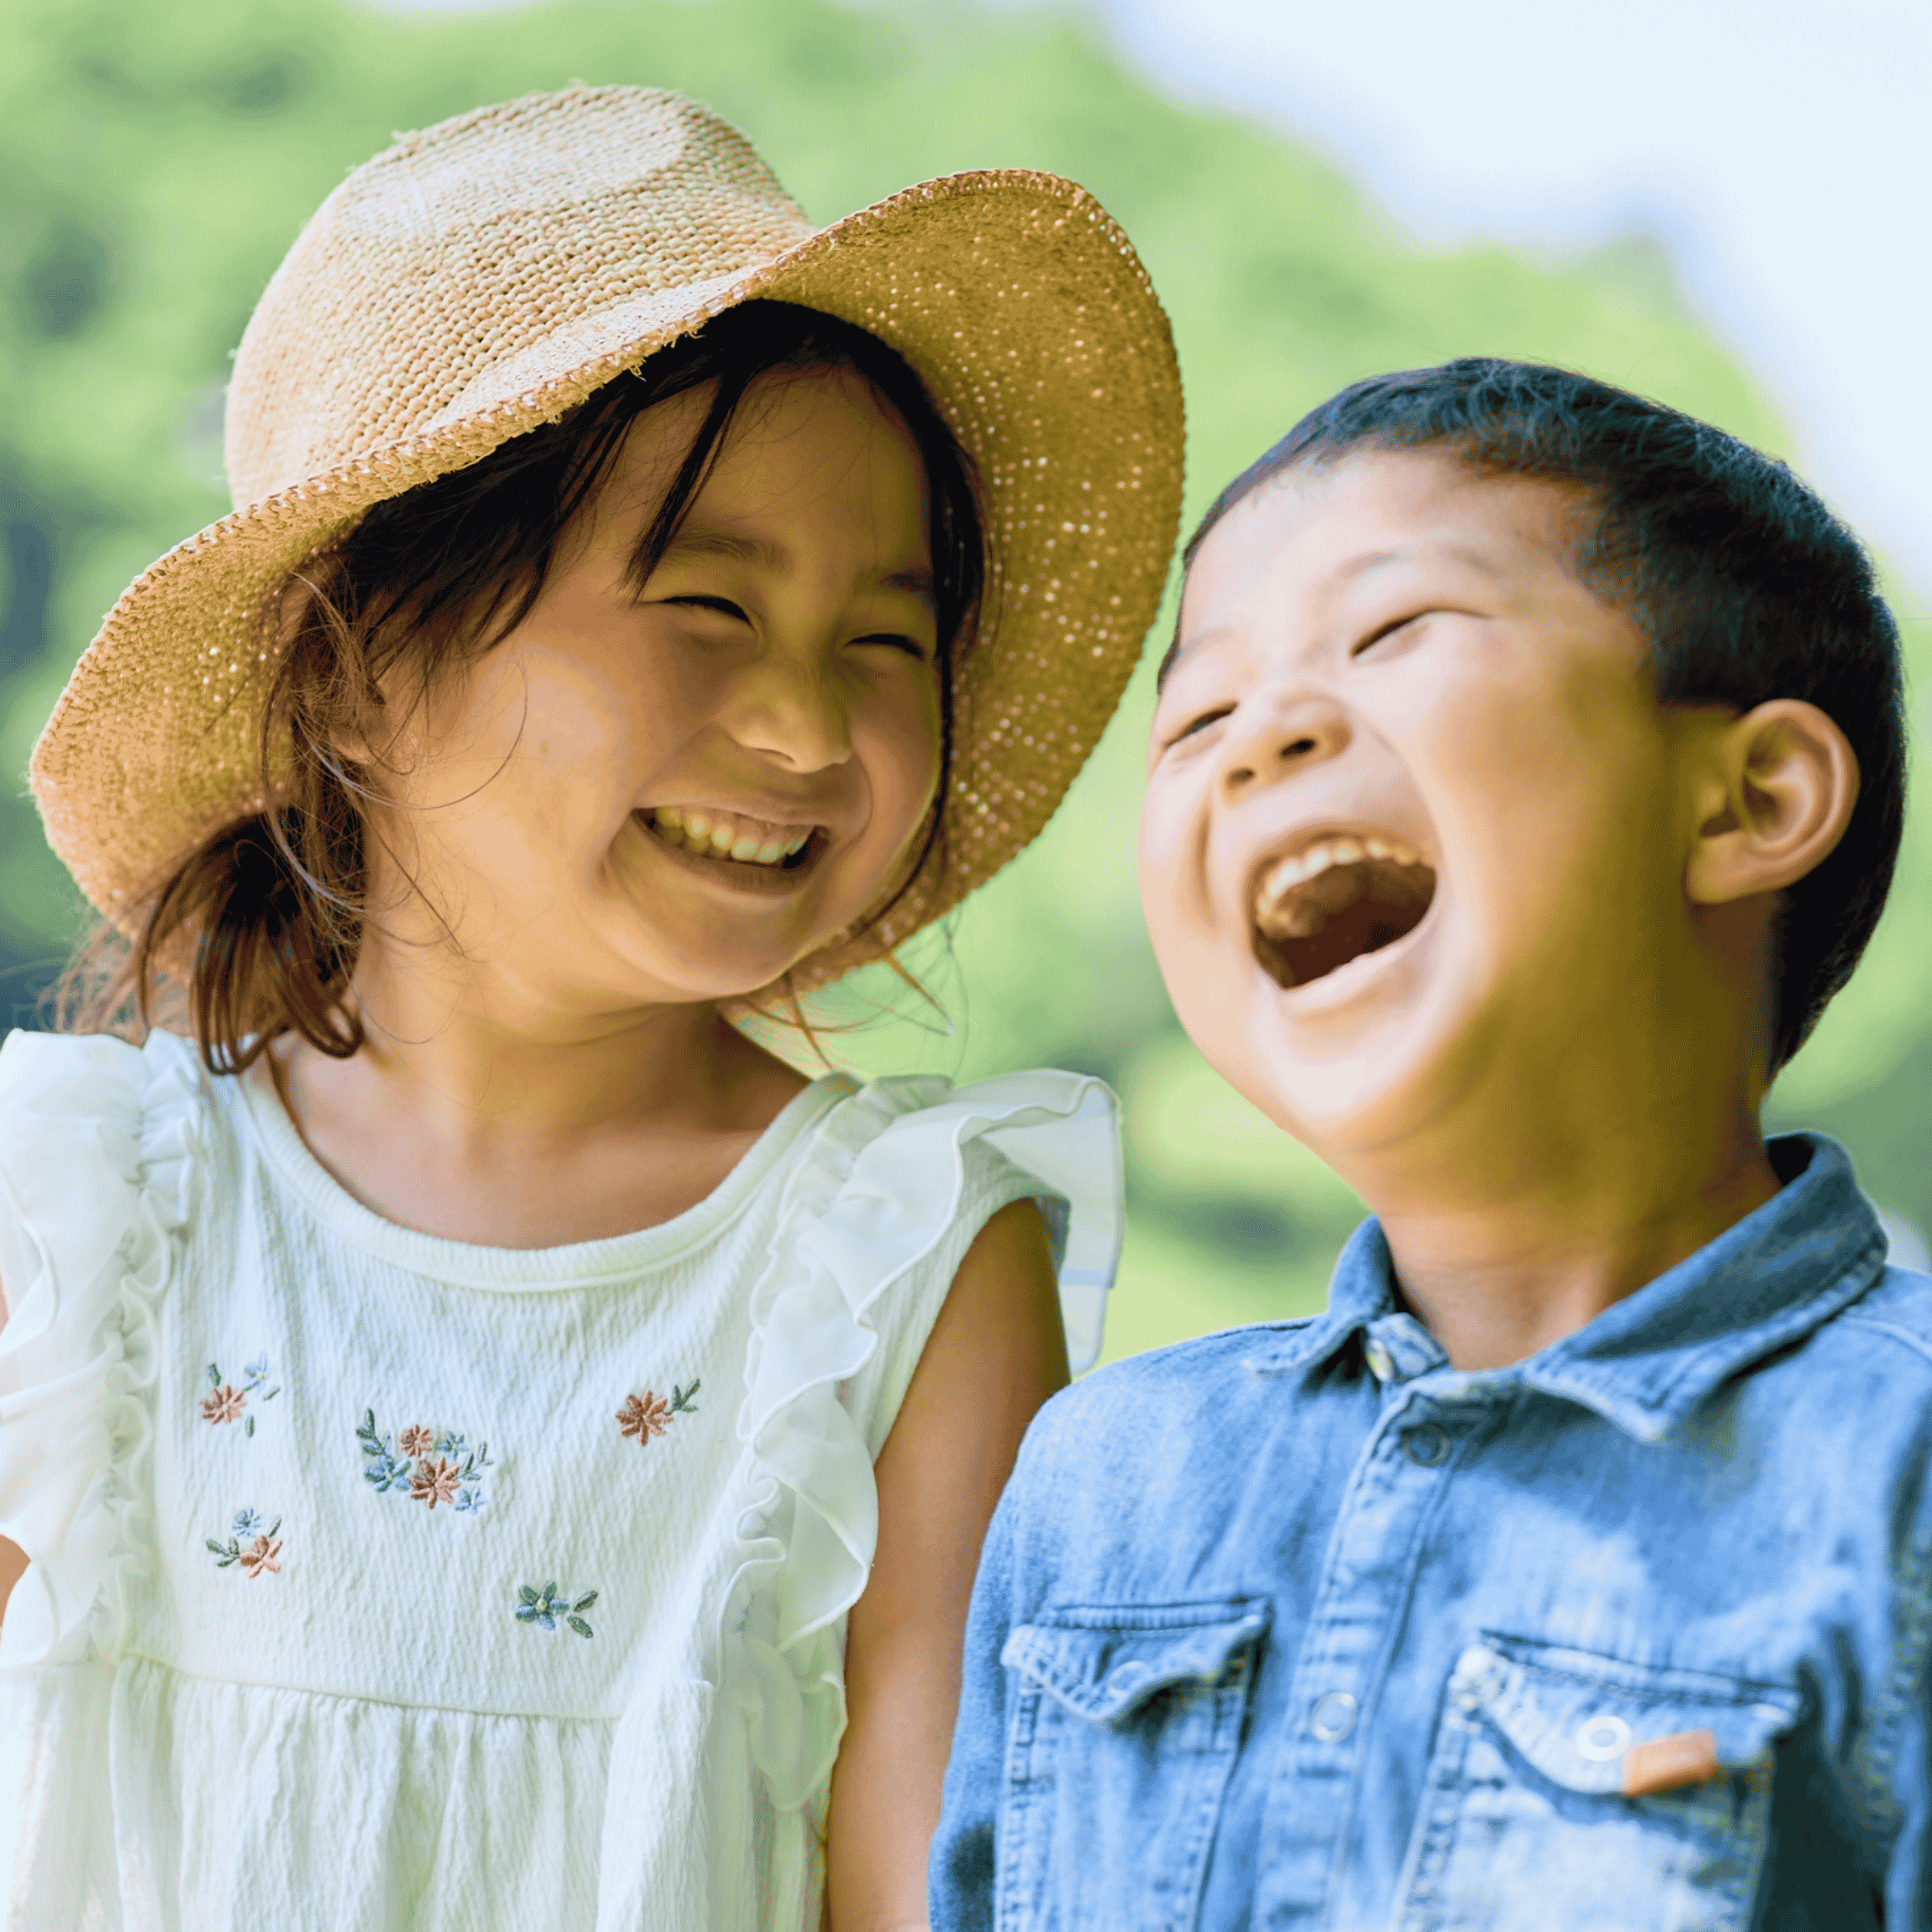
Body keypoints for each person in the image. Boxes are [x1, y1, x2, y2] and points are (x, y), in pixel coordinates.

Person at [0, 86, 1182, 1931]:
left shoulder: (899, 1270)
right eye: (705, 605)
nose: (806, 727)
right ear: (357, 674)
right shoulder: (83, 1217)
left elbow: (926, 1891)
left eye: (887, 639)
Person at [932, 358, 1930, 1930]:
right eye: (1195, 718)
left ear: (1752, 798)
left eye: (1393, 634)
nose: (1260, 738)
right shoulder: (1104, 1477)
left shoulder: (1899, 1473)